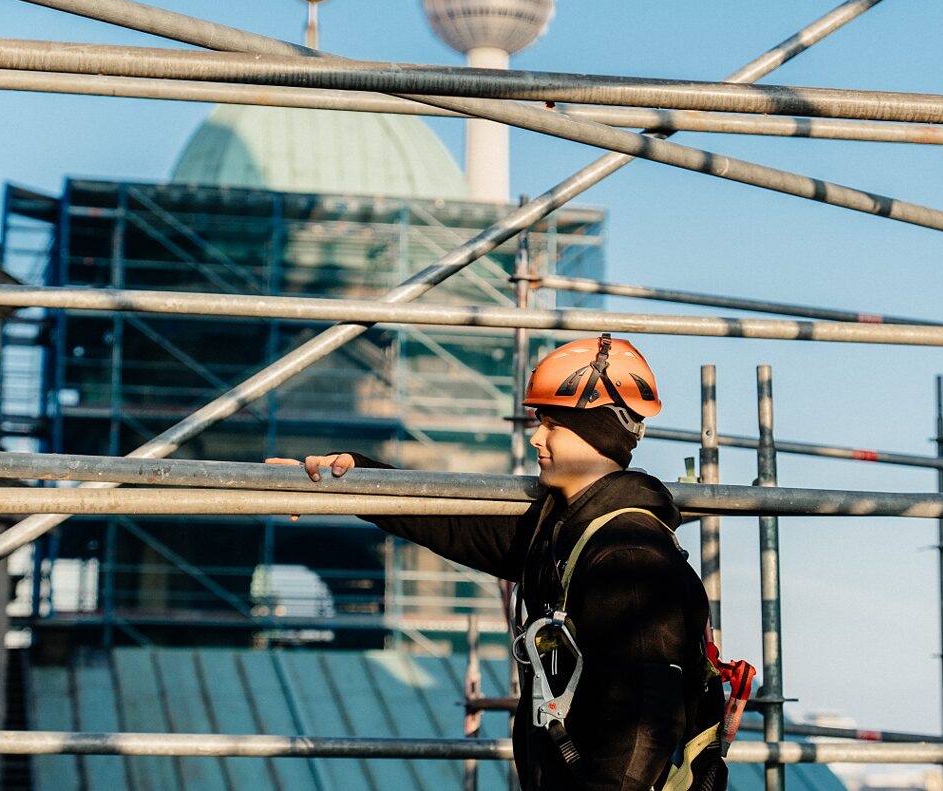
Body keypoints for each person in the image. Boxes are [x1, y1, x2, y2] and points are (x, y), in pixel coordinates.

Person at [271, 334, 742, 791]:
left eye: (552, 424)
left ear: (593, 431)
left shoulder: (627, 554)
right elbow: (449, 523)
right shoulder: (564, 534)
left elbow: (646, 725)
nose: (537, 437)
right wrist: (350, 480)